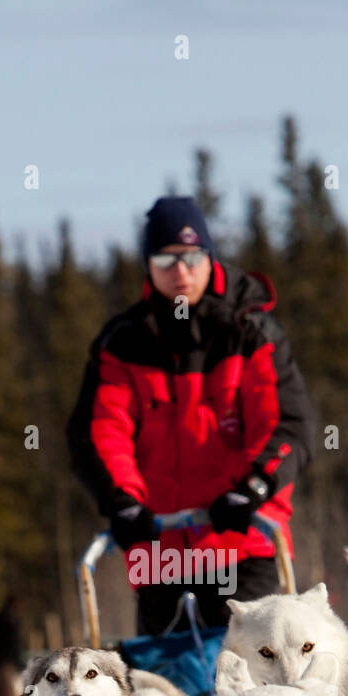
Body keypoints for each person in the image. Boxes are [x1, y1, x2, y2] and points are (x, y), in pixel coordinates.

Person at [67, 196, 313, 635]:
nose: (180, 272)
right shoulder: (122, 344)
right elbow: (101, 432)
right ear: (148, 265)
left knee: (256, 693)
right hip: (160, 550)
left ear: (209, 258)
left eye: (191, 257)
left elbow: (287, 426)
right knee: (162, 694)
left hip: (245, 544)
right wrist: (121, 500)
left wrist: (253, 488)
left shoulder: (250, 332)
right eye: (165, 259)